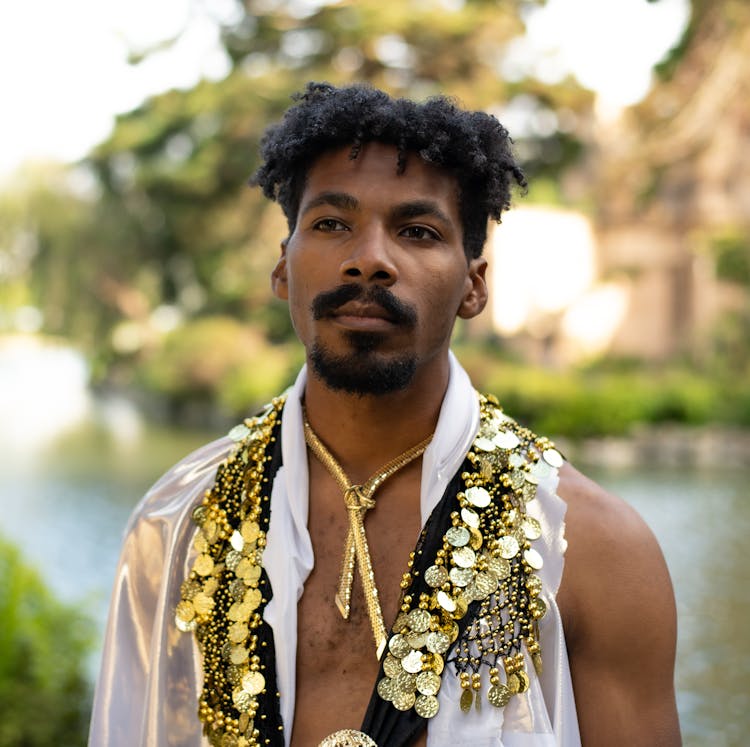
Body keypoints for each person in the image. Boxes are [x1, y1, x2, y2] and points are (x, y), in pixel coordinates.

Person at [89, 82, 681, 747]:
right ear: (283, 267)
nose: (368, 257)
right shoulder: (177, 525)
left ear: (474, 284)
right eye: (332, 223)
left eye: (417, 231)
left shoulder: (593, 549)